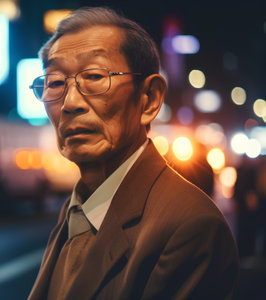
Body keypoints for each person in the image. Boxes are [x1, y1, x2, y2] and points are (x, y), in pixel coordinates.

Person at [28, 6, 239, 300]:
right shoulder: (75, 209)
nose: (70, 102)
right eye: (55, 83)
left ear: (149, 99)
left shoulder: (191, 226)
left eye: (94, 76)